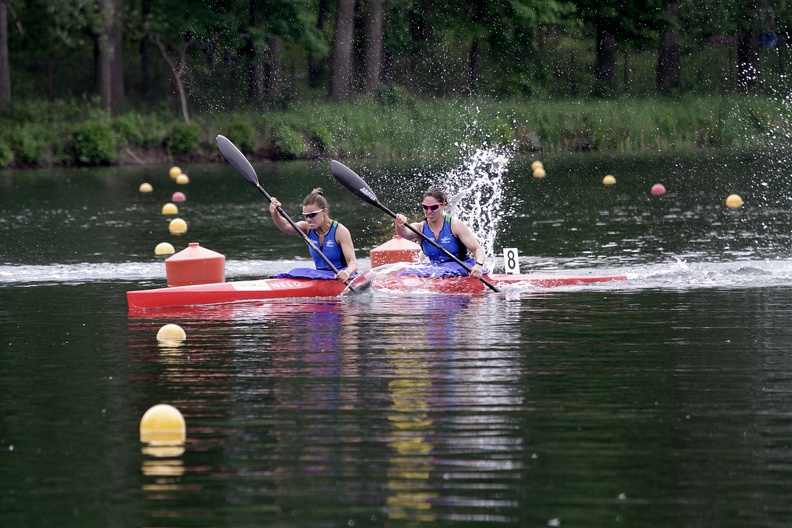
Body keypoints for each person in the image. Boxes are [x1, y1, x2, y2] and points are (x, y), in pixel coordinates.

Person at [394, 187, 487, 279]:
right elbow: (404, 233)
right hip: (436, 269)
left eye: (434, 207)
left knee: (441, 271)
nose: (429, 211)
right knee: (405, 273)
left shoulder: (455, 225)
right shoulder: (420, 227)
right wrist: (399, 223)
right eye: (425, 207)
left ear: (443, 205)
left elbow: (477, 249)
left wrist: (478, 265)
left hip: (461, 267)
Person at [269, 188, 357, 282]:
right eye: (306, 215)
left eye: (312, 215)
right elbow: (286, 226)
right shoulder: (306, 228)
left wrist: (347, 272)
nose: (309, 219)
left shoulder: (340, 231)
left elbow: (353, 263)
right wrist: (275, 213)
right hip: (320, 275)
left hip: (340, 276)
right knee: (295, 271)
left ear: (325, 211)